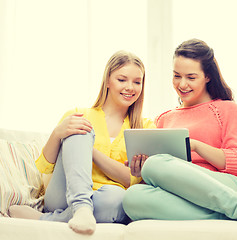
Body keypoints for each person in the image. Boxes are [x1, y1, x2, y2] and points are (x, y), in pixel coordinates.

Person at [122, 39, 237, 232]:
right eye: (177, 76)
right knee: (132, 197)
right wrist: (141, 167)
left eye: (191, 77)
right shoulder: (163, 118)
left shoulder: (226, 109)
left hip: (225, 185)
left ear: (207, 76)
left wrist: (195, 146)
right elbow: (163, 173)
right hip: (180, 192)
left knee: (155, 163)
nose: (182, 84)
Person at [9, 50, 155, 235]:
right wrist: (57, 134)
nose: (130, 87)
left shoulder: (146, 127)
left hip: (107, 199)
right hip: (63, 195)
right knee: (80, 127)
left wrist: (90, 151)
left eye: (137, 82)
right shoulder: (79, 113)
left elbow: (130, 179)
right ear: (108, 81)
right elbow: (46, 167)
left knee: (119, 198)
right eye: (122, 79)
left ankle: (46, 219)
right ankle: (81, 207)